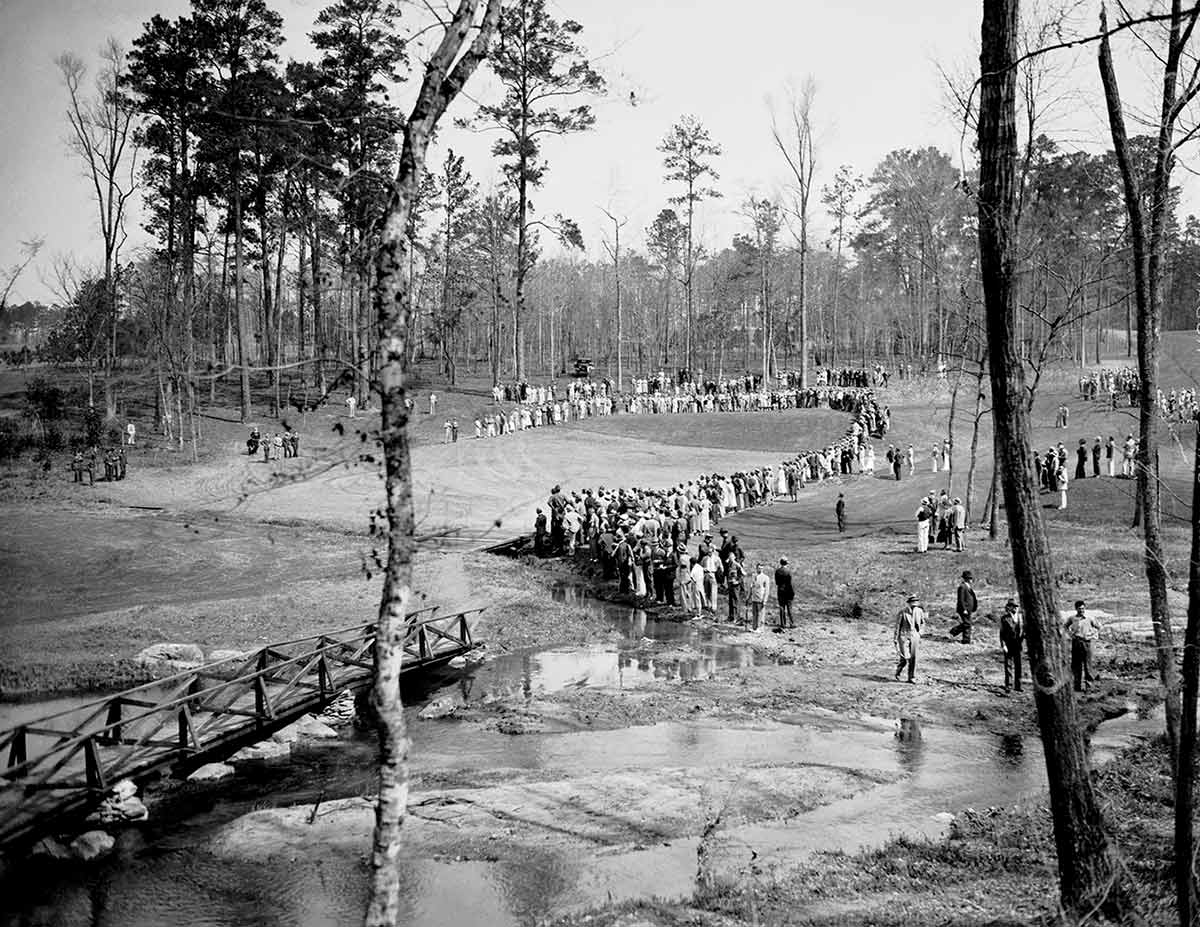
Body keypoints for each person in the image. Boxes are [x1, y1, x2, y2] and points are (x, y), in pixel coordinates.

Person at [1065, 599, 1100, 693]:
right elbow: (1065, 626)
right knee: (1076, 665)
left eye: (1083, 608)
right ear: (1076, 609)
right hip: (1076, 642)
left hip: (1087, 643)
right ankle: (1077, 686)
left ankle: (1089, 687)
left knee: (1088, 665)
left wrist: (1093, 635)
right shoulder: (1072, 618)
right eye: (1079, 609)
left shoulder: (1090, 618)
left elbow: (1099, 627)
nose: (1081, 610)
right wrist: (1070, 634)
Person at [894, 594, 926, 683]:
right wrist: (895, 638)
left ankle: (911, 677)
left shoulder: (919, 611)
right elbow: (897, 626)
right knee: (905, 657)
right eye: (912, 602)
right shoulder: (902, 612)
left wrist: (920, 633)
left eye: (916, 602)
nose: (914, 604)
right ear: (909, 603)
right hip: (904, 635)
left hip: (915, 635)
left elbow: (923, 623)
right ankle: (899, 670)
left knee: (914, 657)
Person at [999, 598, 1024, 692]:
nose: (1015, 608)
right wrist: (1003, 645)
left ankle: (1018, 685)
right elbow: (1001, 633)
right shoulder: (1004, 619)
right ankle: (1008, 685)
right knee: (1008, 665)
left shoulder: (1021, 618)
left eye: (1016, 606)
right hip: (1008, 644)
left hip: (1018, 644)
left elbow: (1024, 631)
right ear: (1009, 608)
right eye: (1013, 606)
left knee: (1019, 665)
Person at [949, 570, 978, 643]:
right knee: (968, 624)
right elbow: (961, 599)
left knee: (967, 624)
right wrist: (964, 609)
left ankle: (965, 639)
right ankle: (956, 633)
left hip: (969, 609)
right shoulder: (962, 587)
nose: (971, 580)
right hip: (964, 609)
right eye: (970, 578)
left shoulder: (968, 587)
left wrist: (974, 607)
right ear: (966, 579)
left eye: (971, 578)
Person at [774, 557, 795, 628]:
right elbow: (790, 583)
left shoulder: (777, 571)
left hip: (780, 591)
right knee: (789, 608)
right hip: (788, 591)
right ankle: (792, 623)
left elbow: (777, 582)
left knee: (782, 608)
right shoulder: (788, 571)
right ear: (786, 563)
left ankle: (783, 624)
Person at [725, 551, 744, 623]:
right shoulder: (729, 564)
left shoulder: (737, 565)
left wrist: (738, 581)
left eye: (732, 557)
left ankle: (736, 617)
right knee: (730, 601)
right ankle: (731, 616)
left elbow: (742, 575)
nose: (730, 559)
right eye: (729, 557)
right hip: (730, 585)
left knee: (736, 601)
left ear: (734, 557)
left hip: (736, 586)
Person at [749, 563, 769, 631]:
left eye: (761, 568)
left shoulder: (765, 577)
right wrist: (749, 596)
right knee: (754, 613)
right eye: (759, 568)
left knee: (760, 613)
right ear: (756, 568)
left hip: (761, 598)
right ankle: (754, 627)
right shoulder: (753, 576)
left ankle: (760, 628)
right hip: (754, 597)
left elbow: (767, 589)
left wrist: (765, 600)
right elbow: (751, 587)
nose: (760, 569)